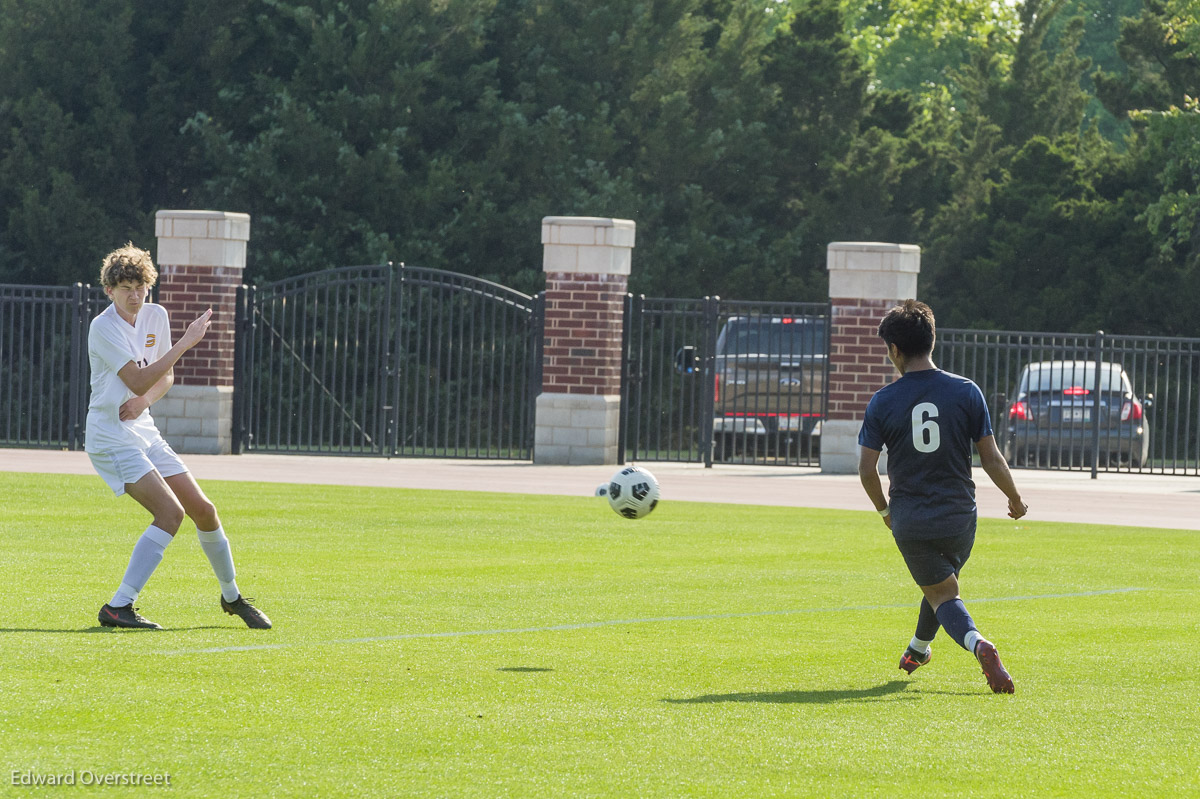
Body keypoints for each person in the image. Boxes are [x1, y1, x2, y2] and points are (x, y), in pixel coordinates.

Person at [86, 243, 271, 631]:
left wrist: (143, 403)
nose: (134, 296)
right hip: (111, 435)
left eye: (140, 287)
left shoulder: (156, 314)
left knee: (203, 510)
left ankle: (232, 596)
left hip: (142, 427)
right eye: (125, 288)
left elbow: (160, 378)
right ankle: (119, 606)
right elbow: (136, 377)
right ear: (109, 290)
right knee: (170, 514)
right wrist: (185, 344)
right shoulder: (103, 327)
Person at [857, 300, 1026, 694]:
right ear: (931, 340)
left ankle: (979, 644)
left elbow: (867, 470)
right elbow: (991, 457)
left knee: (942, 593)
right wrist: (1015, 498)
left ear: (895, 350)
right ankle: (918, 650)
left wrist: (884, 511)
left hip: (911, 519)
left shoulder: (883, 401)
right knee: (942, 589)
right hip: (960, 518)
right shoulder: (966, 391)